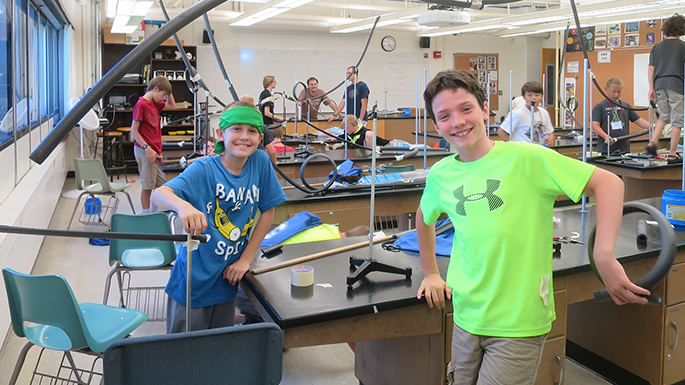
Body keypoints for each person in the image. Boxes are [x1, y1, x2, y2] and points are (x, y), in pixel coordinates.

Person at [417, 70, 649, 385]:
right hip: (466, 316)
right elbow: (424, 216)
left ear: (486, 110)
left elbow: (608, 183)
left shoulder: (526, 159)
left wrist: (604, 256)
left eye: (466, 109)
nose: (457, 121)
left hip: (518, 320)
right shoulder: (441, 174)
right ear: (435, 125)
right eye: (444, 116)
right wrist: (431, 272)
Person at [150, 100, 287, 333]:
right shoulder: (203, 169)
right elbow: (158, 194)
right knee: (184, 354)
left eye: (252, 131)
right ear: (220, 133)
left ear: (260, 137)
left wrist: (245, 259)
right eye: (236, 128)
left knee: (217, 350)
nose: (244, 136)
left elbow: (269, 210)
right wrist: (183, 207)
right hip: (194, 283)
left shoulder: (260, 161)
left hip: (227, 279)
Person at [130, 76, 177, 214]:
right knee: (147, 186)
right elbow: (134, 131)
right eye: (163, 95)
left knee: (161, 185)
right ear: (155, 89)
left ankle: (155, 213)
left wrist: (168, 89)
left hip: (155, 150)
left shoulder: (154, 103)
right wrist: (147, 148)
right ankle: (146, 217)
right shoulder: (141, 105)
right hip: (145, 150)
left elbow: (172, 105)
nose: (164, 99)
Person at [646, 14, 685, 160]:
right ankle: (672, 153)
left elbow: (651, 69)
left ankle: (653, 141)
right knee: (677, 120)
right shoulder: (682, 47)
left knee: (664, 116)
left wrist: (652, 88)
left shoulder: (657, 47)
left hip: (659, 84)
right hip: (676, 84)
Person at [592, 77, 651, 155]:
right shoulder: (600, 106)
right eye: (613, 92)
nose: (616, 94)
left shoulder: (626, 105)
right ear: (606, 89)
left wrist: (651, 126)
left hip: (624, 148)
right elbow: (595, 125)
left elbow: (638, 120)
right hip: (606, 149)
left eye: (619, 92)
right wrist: (606, 136)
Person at [498, 81, 555, 146]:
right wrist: (513, 146)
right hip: (523, 152)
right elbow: (501, 131)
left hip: (540, 150)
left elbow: (550, 132)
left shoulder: (544, 113)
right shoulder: (518, 113)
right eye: (529, 95)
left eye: (537, 95)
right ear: (524, 97)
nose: (533, 98)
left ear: (542, 97)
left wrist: (551, 137)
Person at [244, 94, 278, 163]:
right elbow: (271, 151)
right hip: (258, 162)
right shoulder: (261, 127)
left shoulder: (234, 128)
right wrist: (274, 163)